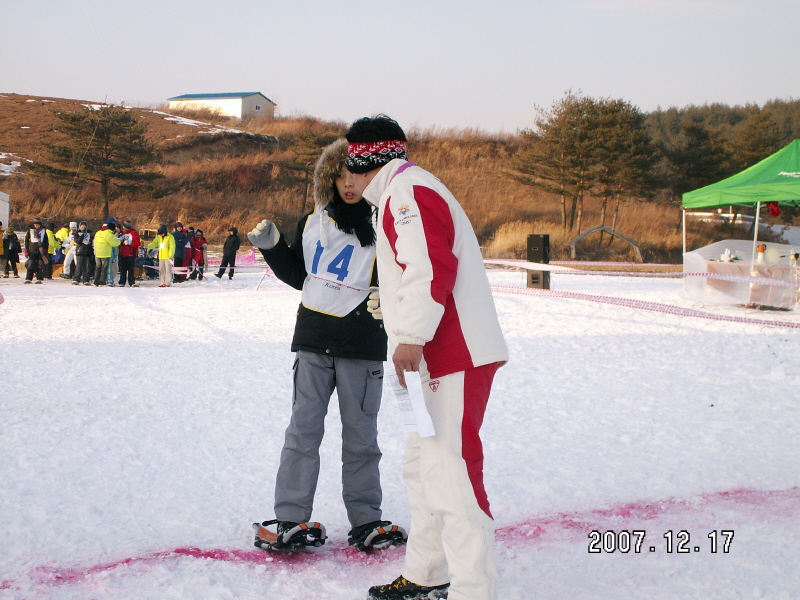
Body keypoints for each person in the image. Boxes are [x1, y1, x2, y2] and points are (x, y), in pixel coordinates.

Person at [345, 116, 508, 600]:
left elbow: (431, 266)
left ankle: (473, 590)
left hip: (451, 354)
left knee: (451, 474)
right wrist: (395, 314)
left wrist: (411, 332)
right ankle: (427, 572)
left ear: (364, 160)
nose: (346, 178)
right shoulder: (400, 193)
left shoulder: (408, 191)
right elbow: (415, 271)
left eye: (349, 164)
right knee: (423, 467)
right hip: (424, 362)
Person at [247, 138, 405, 553]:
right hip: (314, 344)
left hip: (363, 345)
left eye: (355, 174)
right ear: (328, 178)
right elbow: (303, 277)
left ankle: (367, 520)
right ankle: (290, 519)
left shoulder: (386, 222)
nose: (348, 183)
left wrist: (391, 297)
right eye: (339, 175)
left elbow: (408, 273)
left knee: (361, 438)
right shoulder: (313, 222)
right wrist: (274, 248)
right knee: (302, 433)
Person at [93, 221, 121, 286]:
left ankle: (96, 281)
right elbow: (114, 243)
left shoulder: (98, 233)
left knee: (98, 267)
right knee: (104, 268)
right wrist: (119, 241)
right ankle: (102, 281)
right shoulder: (108, 234)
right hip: (105, 253)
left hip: (97, 252)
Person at [23, 218, 49, 284]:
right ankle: (28, 278)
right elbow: (26, 240)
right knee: (31, 264)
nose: (36, 226)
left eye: (37, 225)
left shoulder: (43, 231)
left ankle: (39, 278)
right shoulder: (30, 231)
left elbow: (46, 241)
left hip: (41, 250)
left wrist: (46, 250)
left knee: (40, 264)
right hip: (32, 249)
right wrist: (26, 249)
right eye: (35, 225)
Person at [118, 220, 141, 287]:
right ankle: (122, 281)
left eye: (124, 226)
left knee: (130, 269)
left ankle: (131, 282)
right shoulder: (123, 234)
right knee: (123, 269)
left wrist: (130, 244)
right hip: (123, 254)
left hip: (131, 254)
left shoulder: (133, 233)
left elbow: (137, 243)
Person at [71, 221, 93, 285]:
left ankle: (86, 280)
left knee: (87, 267)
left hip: (87, 252)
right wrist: (82, 235)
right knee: (79, 266)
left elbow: (90, 242)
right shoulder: (77, 233)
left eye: (84, 226)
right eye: (82, 226)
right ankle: (76, 279)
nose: (83, 227)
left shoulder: (89, 233)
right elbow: (78, 241)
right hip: (80, 251)